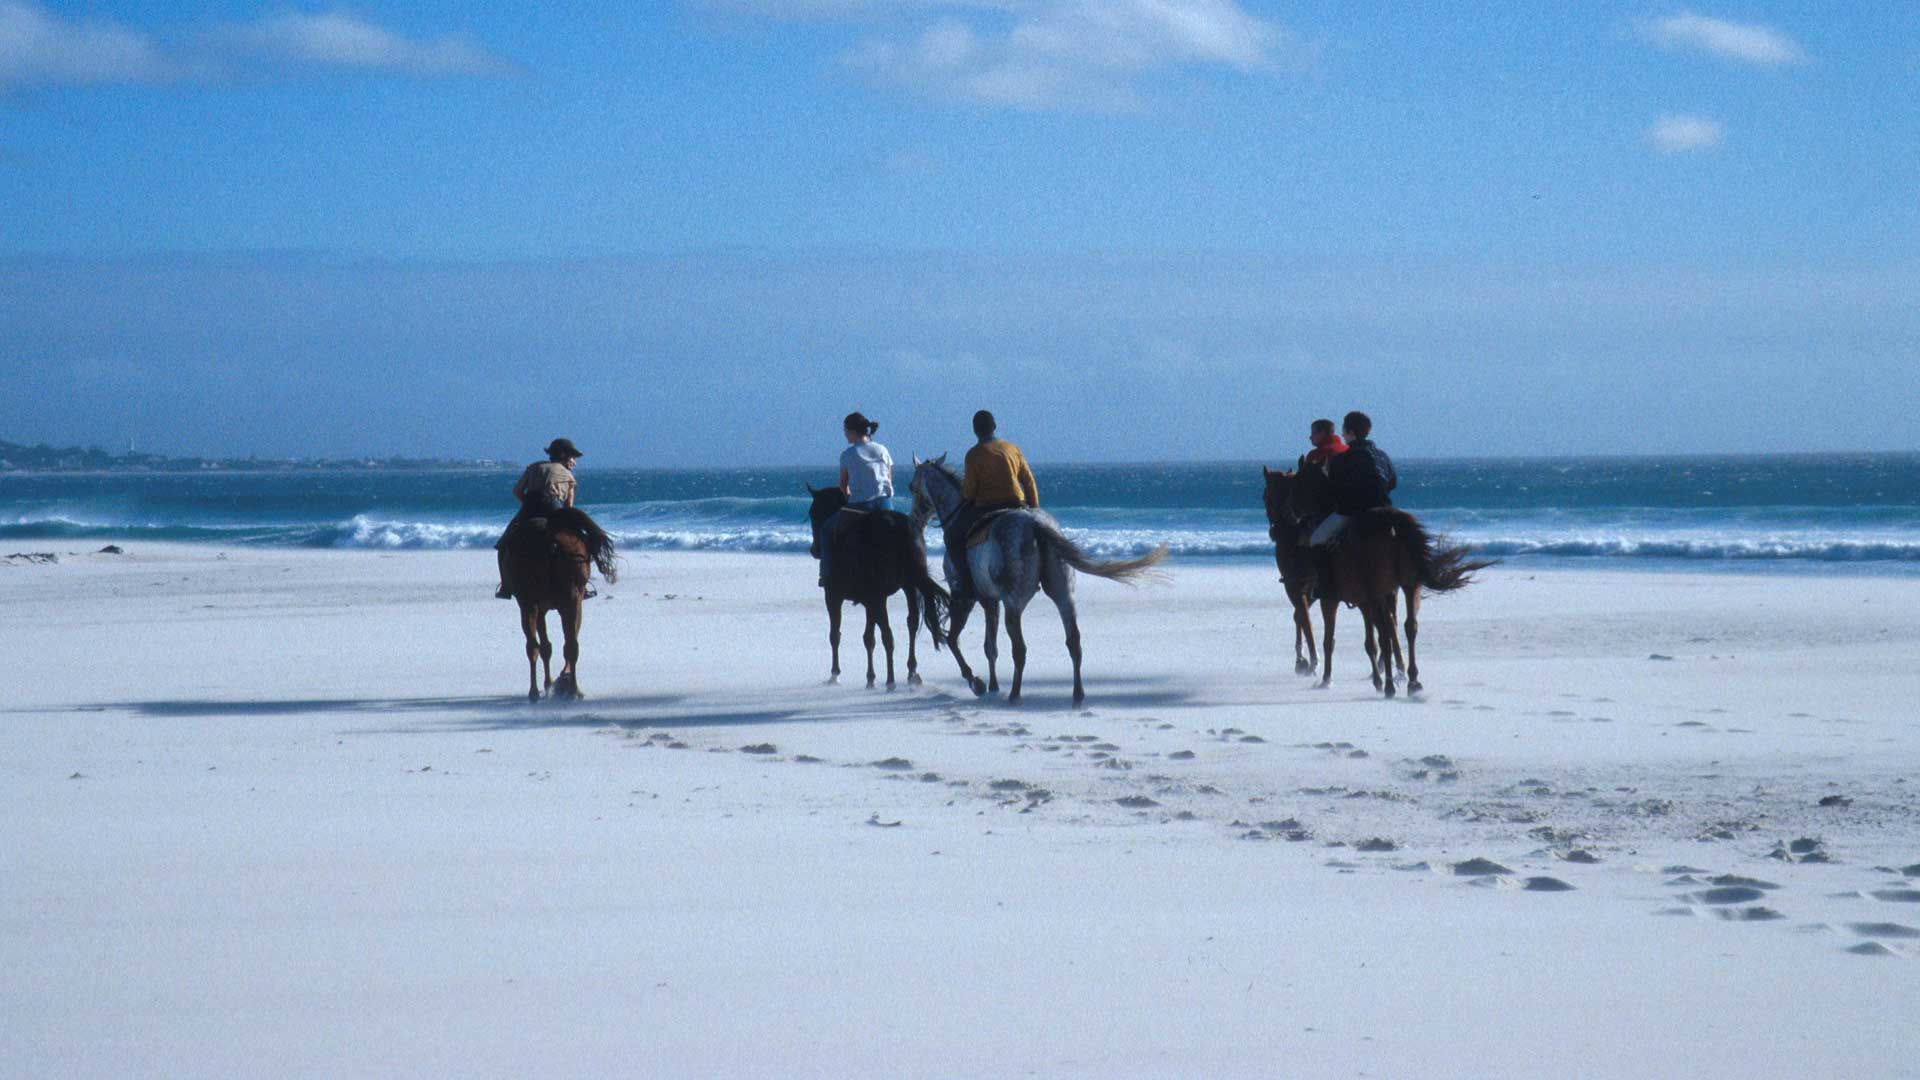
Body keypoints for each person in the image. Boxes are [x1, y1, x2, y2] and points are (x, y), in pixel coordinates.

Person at [943, 409, 1039, 598]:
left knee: (953, 536)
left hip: (987, 507)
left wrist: (968, 499)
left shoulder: (973, 455)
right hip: (1017, 504)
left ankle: (966, 580)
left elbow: (969, 492)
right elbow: (1029, 481)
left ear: (975, 431)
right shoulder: (1012, 448)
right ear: (994, 427)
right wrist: (1034, 509)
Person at [495, 438, 582, 599]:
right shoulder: (569, 476)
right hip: (554, 508)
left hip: (529, 508)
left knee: (504, 543)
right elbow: (569, 506)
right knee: (579, 540)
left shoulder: (533, 467)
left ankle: (505, 586)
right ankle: (581, 582)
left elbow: (517, 491)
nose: (574, 463)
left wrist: (529, 503)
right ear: (564, 456)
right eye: (573, 458)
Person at [815, 412, 894, 587]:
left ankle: (826, 574)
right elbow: (889, 478)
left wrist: (848, 497)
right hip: (886, 504)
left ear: (852, 432)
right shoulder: (883, 449)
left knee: (826, 531)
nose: (844, 435)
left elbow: (843, 484)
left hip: (861, 506)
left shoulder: (848, 454)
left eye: (845, 431)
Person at [1310, 411, 1396, 550]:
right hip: (1384, 509)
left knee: (1315, 540)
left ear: (1350, 432)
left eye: (1344, 430)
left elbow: (1334, 490)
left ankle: (1325, 573)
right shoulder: (1383, 456)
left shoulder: (1343, 459)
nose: (1342, 435)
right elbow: (1393, 483)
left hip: (1351, 512)